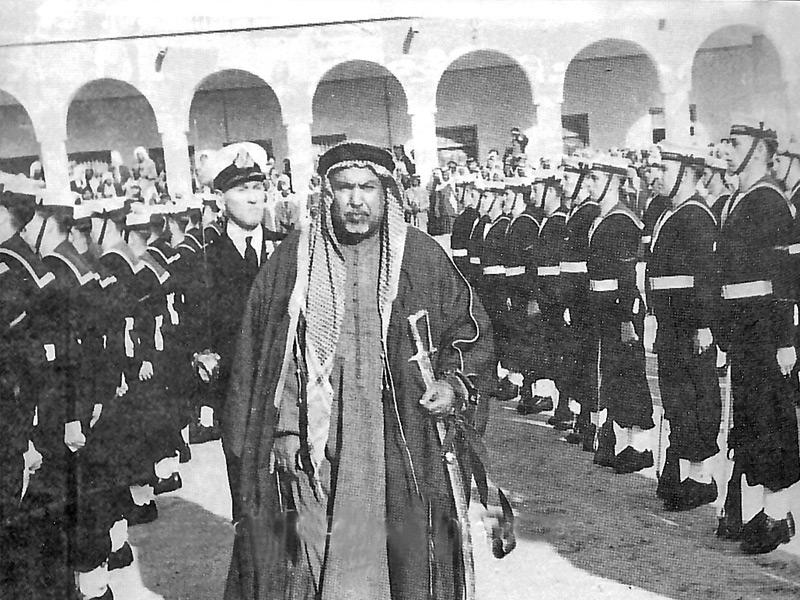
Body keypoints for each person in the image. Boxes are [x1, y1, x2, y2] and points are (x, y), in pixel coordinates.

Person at [222, 141, 511, 600]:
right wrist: (284, 431)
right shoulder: (294, 259)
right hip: (317, 439)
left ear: (387, 193)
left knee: (405, 555)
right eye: (344, 187)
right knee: (310, 555)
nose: (356, 200)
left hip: (401, 435)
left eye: (367, 187)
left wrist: (452, 384)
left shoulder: (420, 256)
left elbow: (468, 328)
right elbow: (270, 355)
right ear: (327, 194)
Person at [715, 121, 798, 553]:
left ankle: (778, 516)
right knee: (750, 421)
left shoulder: (769, 201)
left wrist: (785, 340)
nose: (727, 150)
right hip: (743, 328)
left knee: (771, 421)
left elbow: (784, 278)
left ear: (761, 152)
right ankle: (758, 510)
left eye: (736, 144)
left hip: (765, 328)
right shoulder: (740, 199)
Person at [193, 143, 286, 519]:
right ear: (220, 198)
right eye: (241, 189)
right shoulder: (204, 259)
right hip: (236, 397)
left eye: (258, 188)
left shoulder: (287, 252)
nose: (253, 198)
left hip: (286, 395)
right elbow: (197, 331)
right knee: (248, 501)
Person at [645, 142, 720, 511]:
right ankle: (680, 472)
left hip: (690, 325)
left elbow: (706, 277)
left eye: (665, 168)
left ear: (687, 172)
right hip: (670, 324)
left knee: (696, 399)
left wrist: (704, 325)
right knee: (676, 400)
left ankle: (700, 479)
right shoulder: (669, 213)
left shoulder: (697, 216)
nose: (657, 175)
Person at [585, 153, 655, 474]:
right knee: (613, 375)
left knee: (630, 375)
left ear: (613, 182)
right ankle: (617, 441)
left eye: (595, 179)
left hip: (620, 310)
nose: (589, 184)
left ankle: (639, 446)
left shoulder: (624, 221)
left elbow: (628, 274)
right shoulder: (602, 218)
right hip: (604, 308)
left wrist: (628, 317)